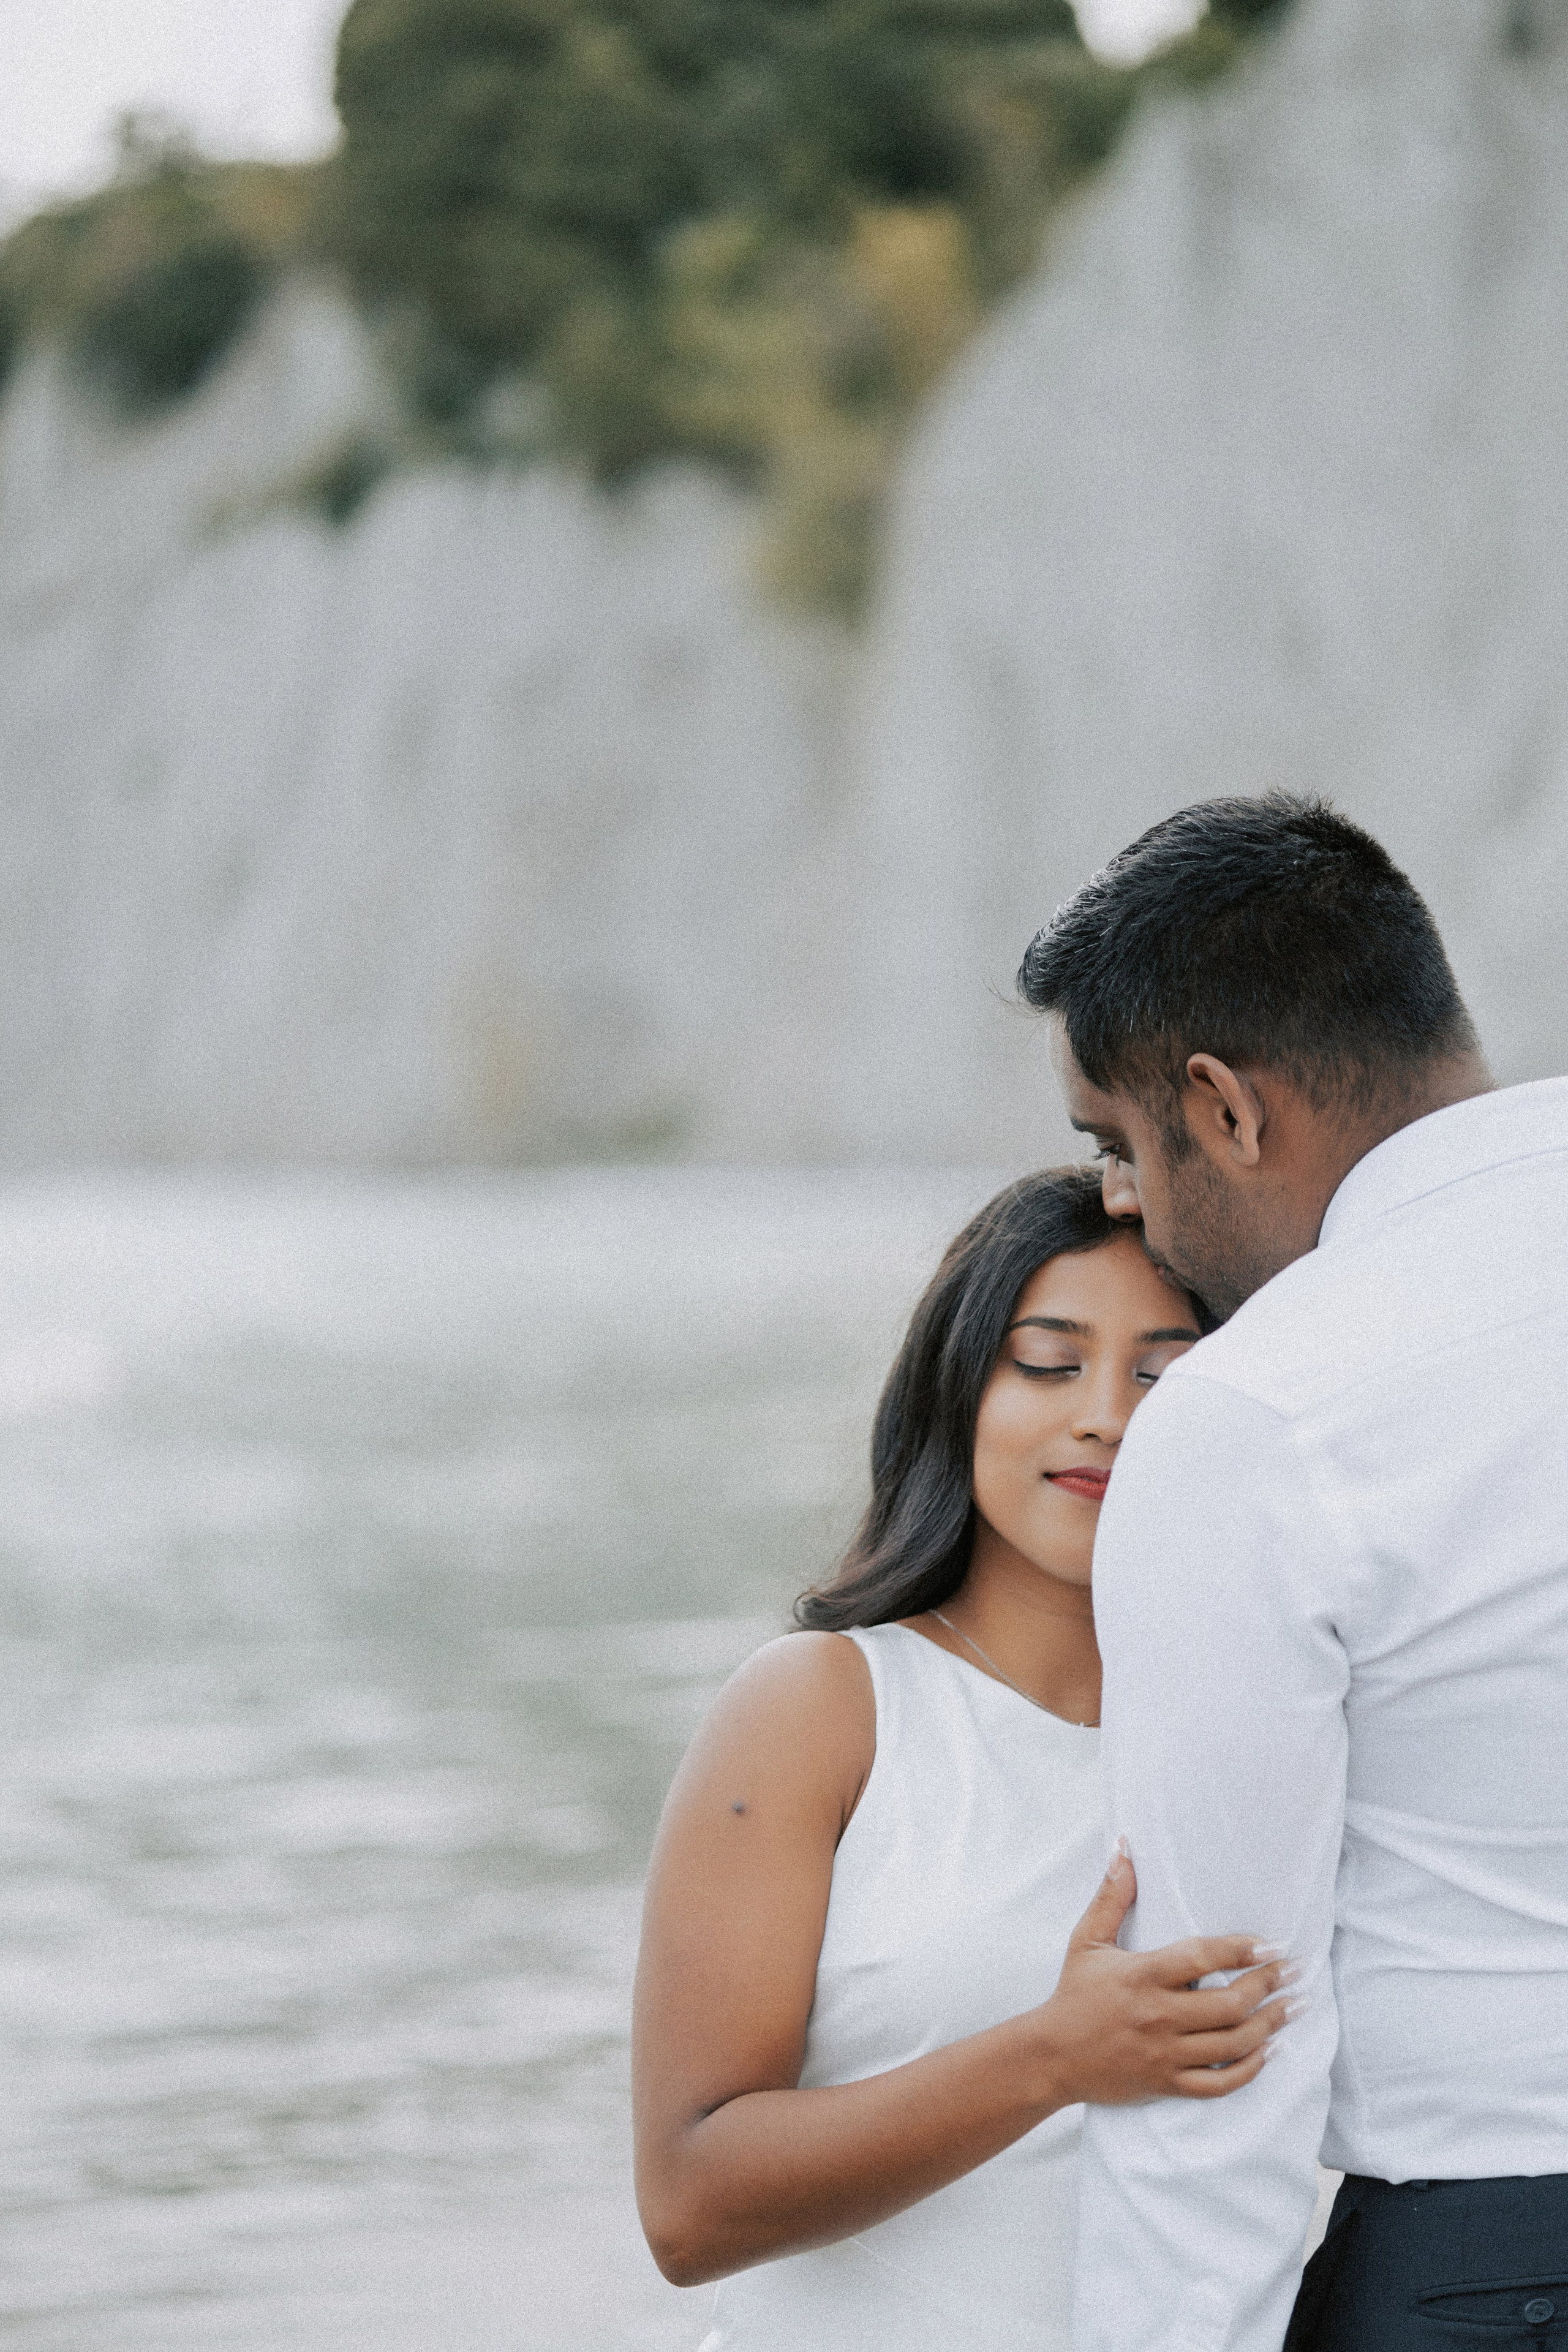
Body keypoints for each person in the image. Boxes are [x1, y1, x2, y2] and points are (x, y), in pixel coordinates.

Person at [1018, 791, 1568, 2351]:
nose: (1118, 1200)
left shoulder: (1260, 1412)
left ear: (1226, 1109)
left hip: (1498, 2267)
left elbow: (1218, 2020)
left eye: (1113, 1143)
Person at [632, 1170, 1296, 2350]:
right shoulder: (824, 1708)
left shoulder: (1271, 1728)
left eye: (1164, 1373)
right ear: (958, 1393)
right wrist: (1055, 2055)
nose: (1106, 1413)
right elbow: (689, 2205)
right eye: (1049, 1362)